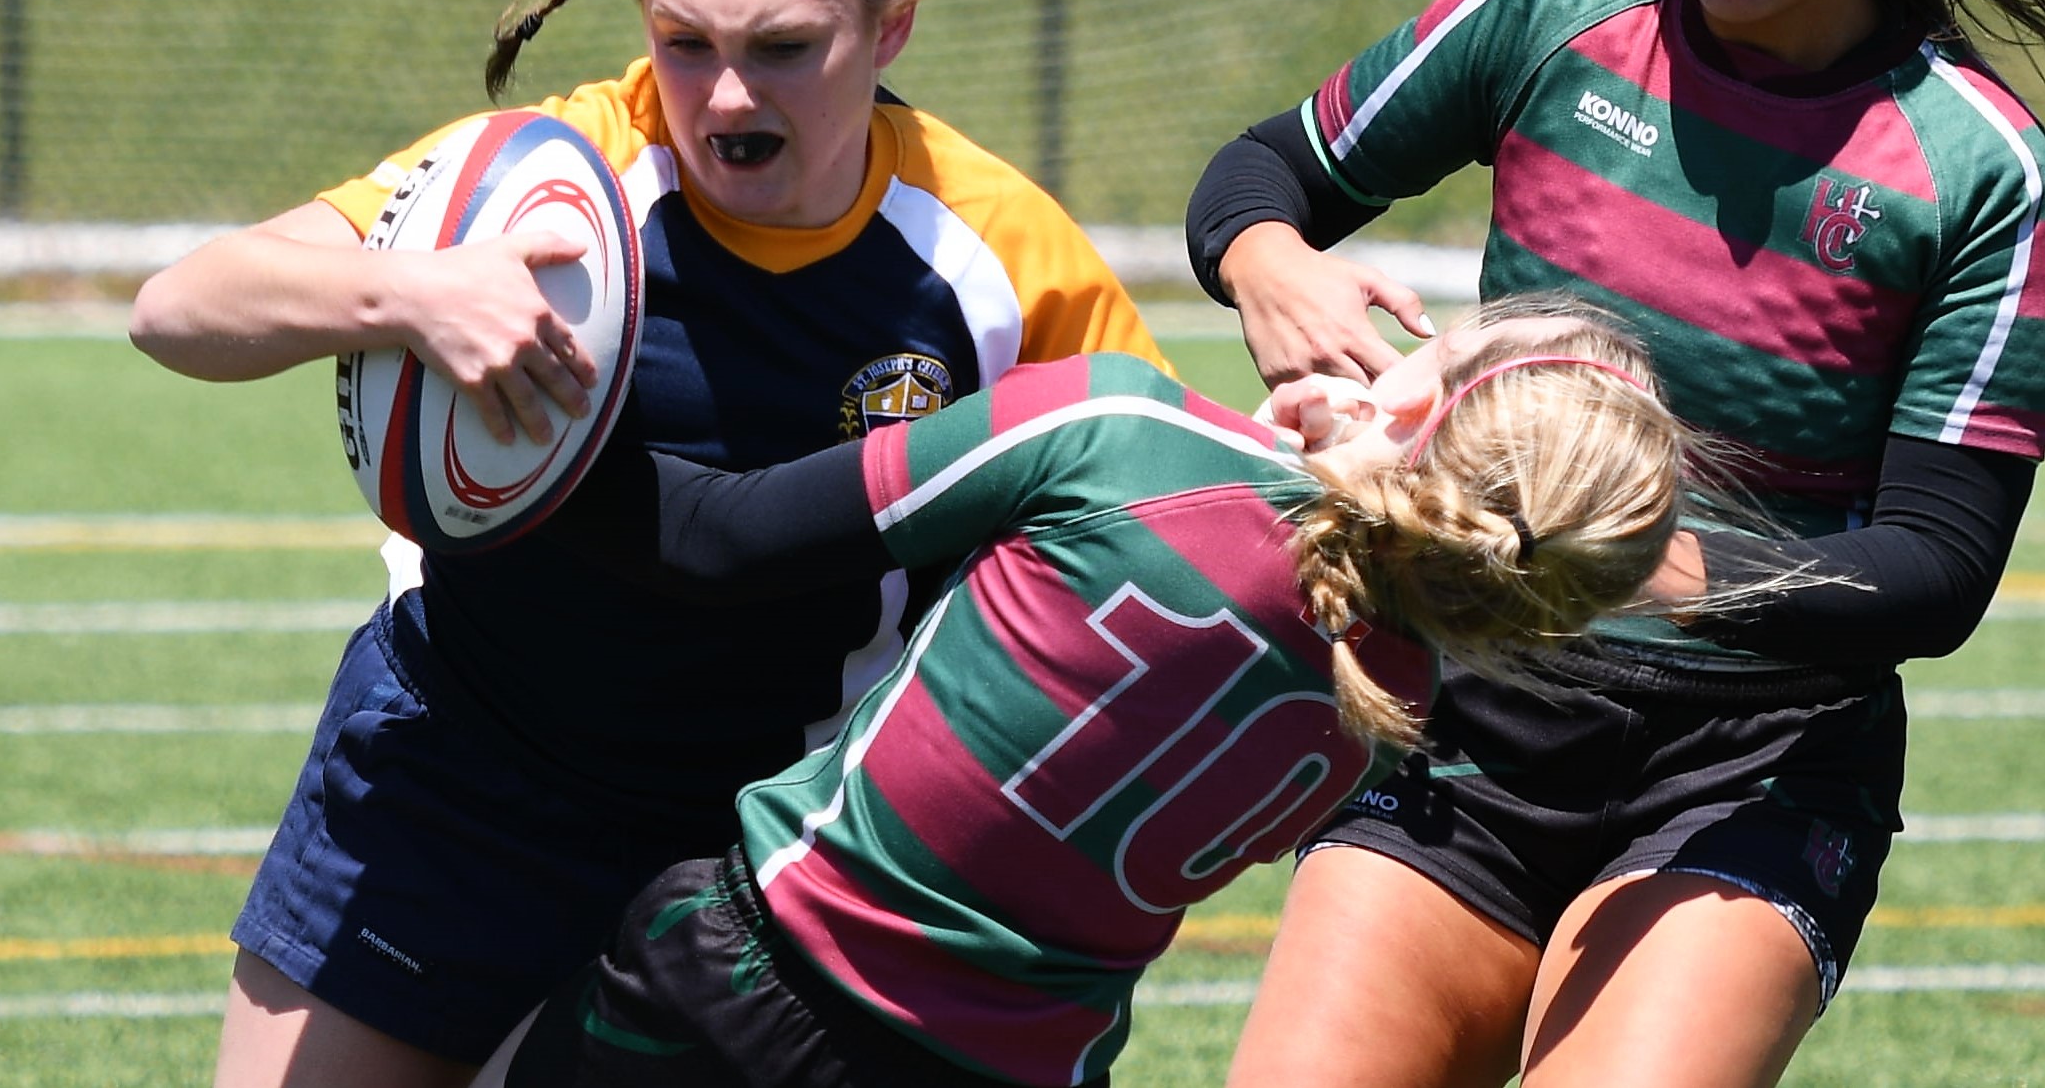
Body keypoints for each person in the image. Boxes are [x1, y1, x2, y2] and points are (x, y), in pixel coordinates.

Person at [128, 0, 1168, 1088]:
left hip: (769, 843)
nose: (725, 94)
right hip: (463, 778)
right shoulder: (549, 178)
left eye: (785, 46)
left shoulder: (990, 253)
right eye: (686, 42)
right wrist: (410, 291)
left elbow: (1172, 507)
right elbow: (179, 309)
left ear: (891, 23)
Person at [1184, 0, 2045, 1084]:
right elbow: (1259, 174)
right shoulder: (1548, 12)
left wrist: (1623, 559)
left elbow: (1933, 569)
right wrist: (1270, 263)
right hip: (1468, 714)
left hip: (1750, 765)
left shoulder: (1979, 166)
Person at [467, 295, 1732, 1088]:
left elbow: (718, 538)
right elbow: (1294, 584)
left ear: (1436, 397)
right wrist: (1322, 456)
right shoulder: (1390, 705)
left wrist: (501, 430)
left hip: (752, 971)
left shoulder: (1123, 431)